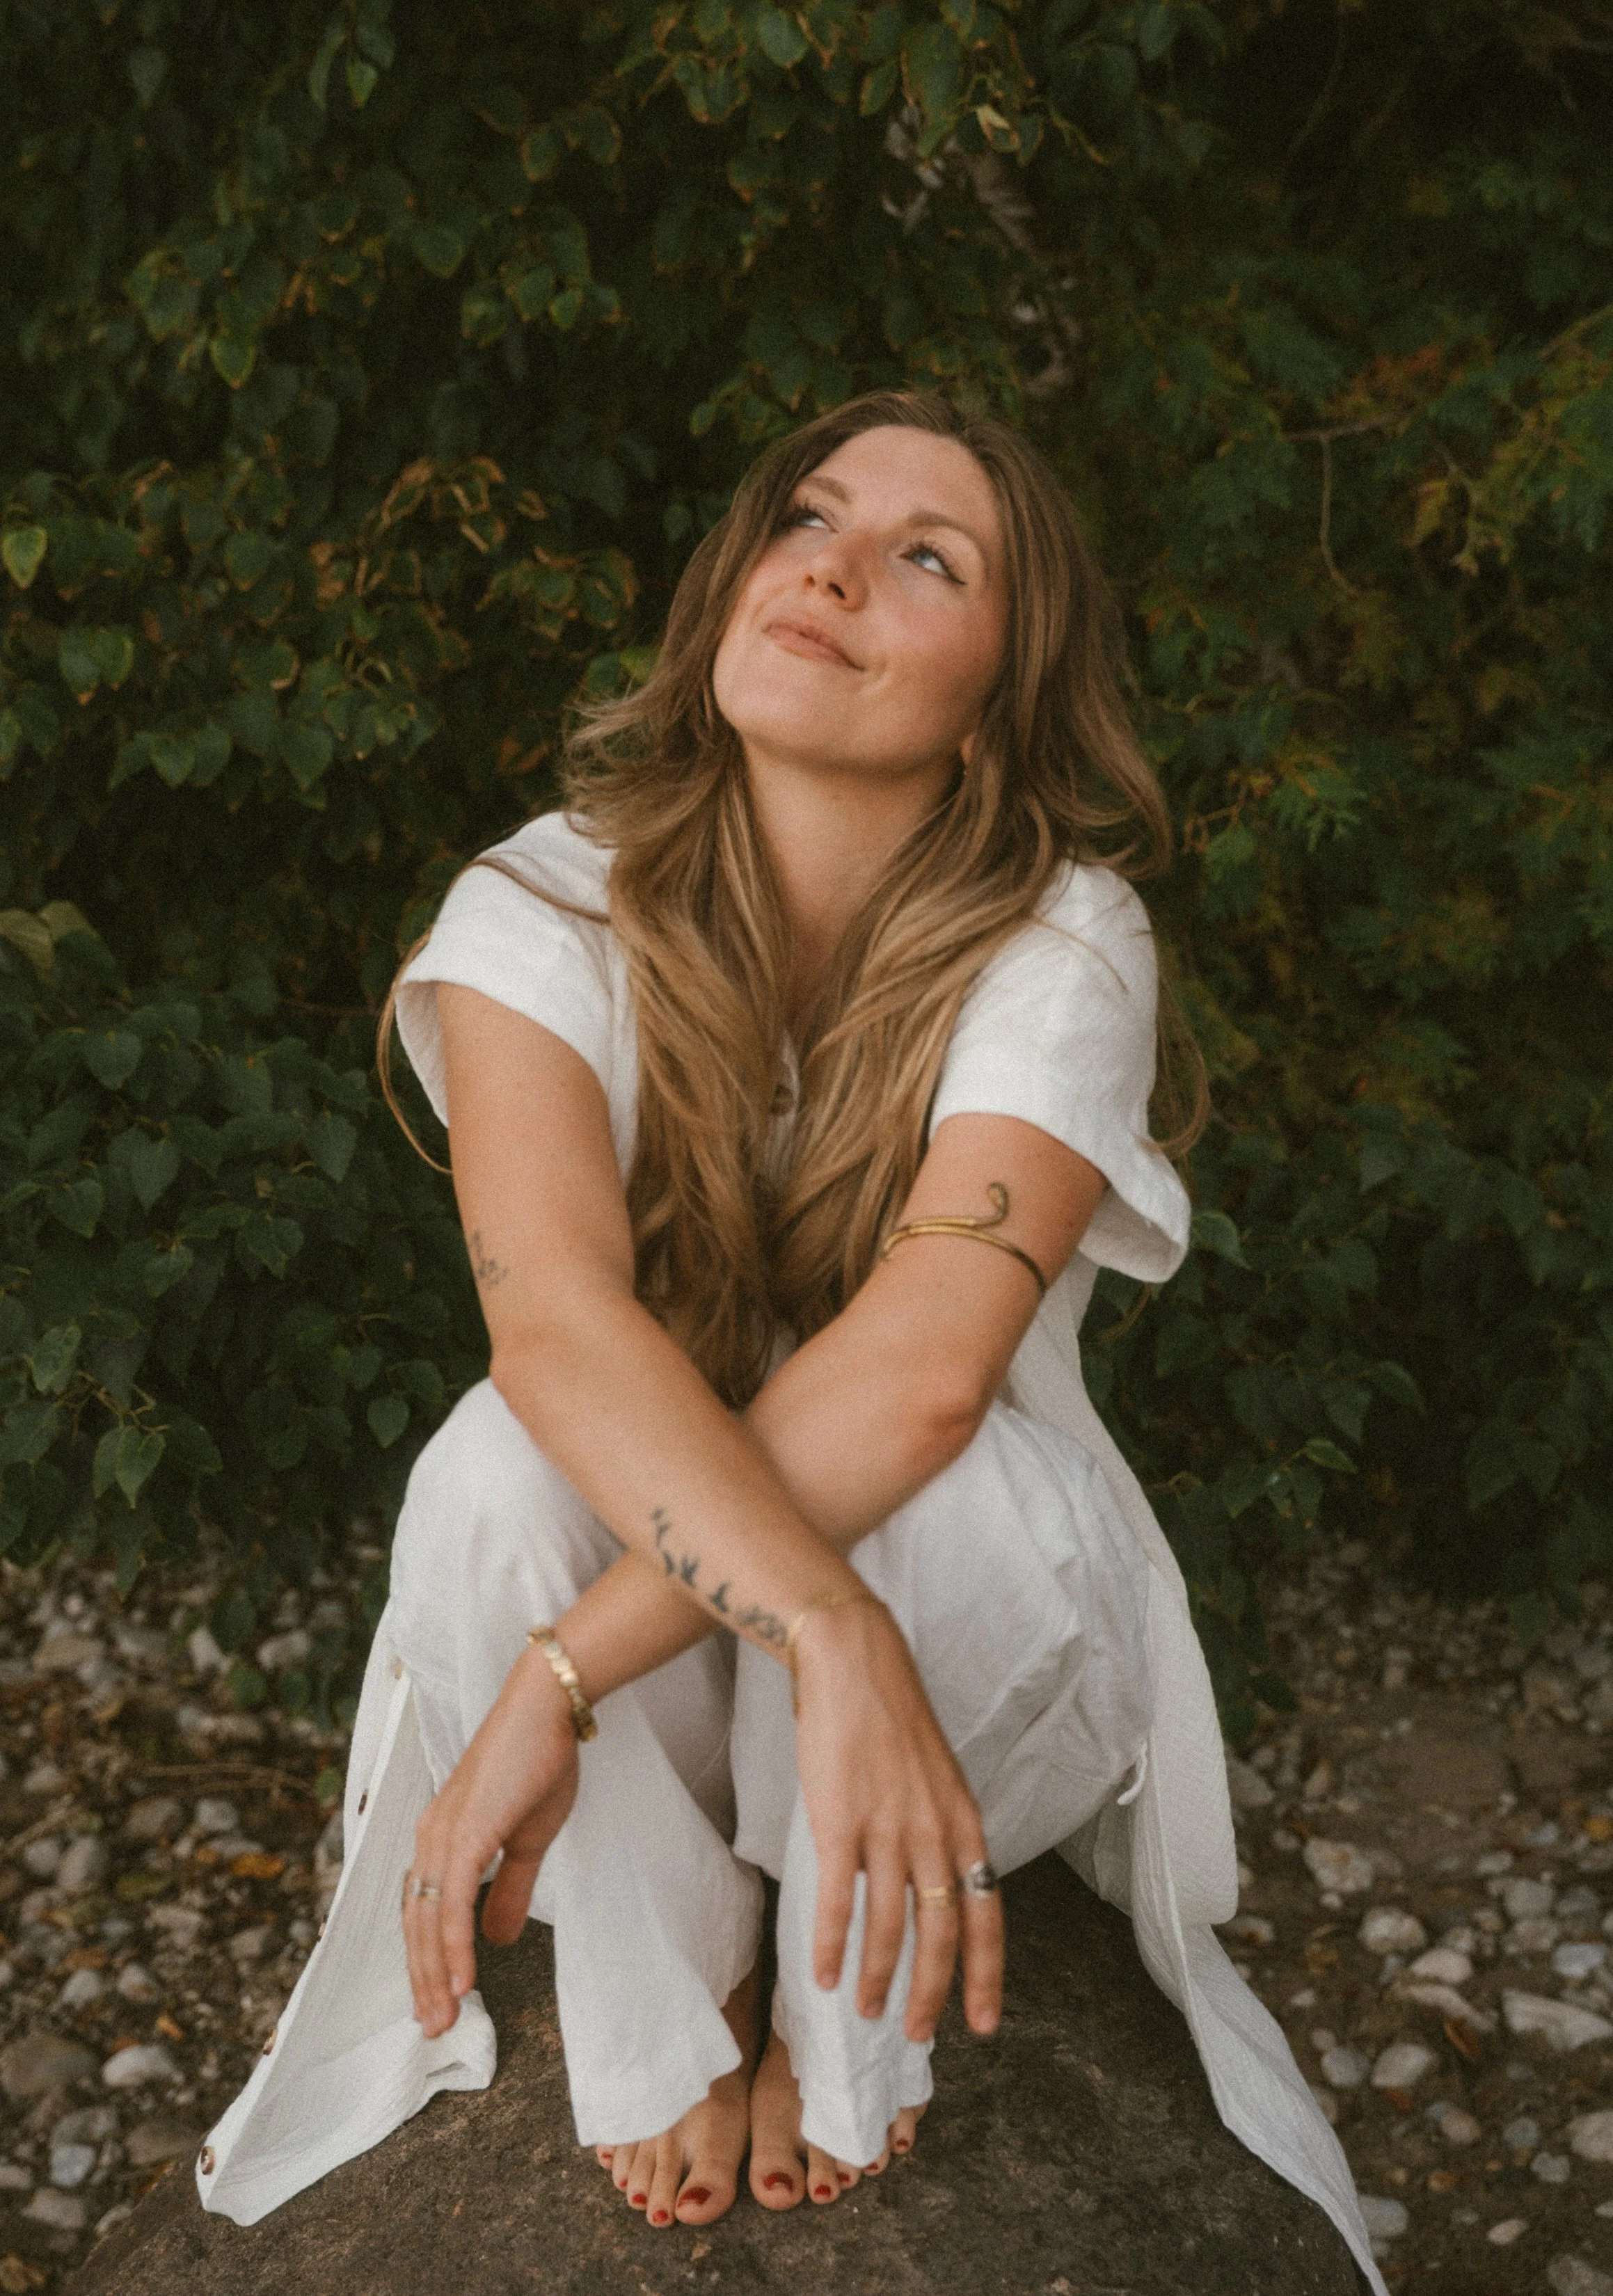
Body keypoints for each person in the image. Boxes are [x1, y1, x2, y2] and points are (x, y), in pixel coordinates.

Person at [195, 390, 1384, 2290]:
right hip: (737, 1617)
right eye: (809, 519)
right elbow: (555, 1326)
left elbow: (925, 1368)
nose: (828, 565)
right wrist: (807, 1625)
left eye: (927, 557)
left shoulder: (1060, 941)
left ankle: (841, 2023)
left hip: (978, 1590)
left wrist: (578, 1672)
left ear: (1003, 694)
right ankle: (677, 1984)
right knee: (494, 1467)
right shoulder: (543, 898)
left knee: (918, 1489)